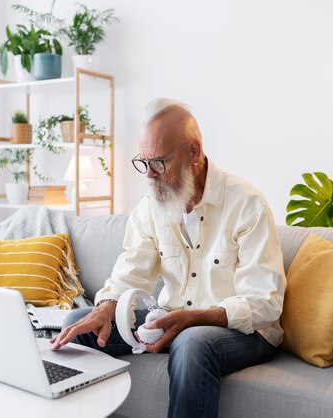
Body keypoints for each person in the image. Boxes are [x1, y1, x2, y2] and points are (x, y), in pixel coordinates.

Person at [50, 98, 286, 418]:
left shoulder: (247, 203)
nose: (149, 175)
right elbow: (131, 271)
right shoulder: (152, 206)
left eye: (158, 162)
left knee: (192, 343)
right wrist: (107, 307)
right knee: (77, 325)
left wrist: (195, 319)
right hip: (174, 318)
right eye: (143, 162)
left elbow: (265, 302)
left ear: (193, 152)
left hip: (245, 332)